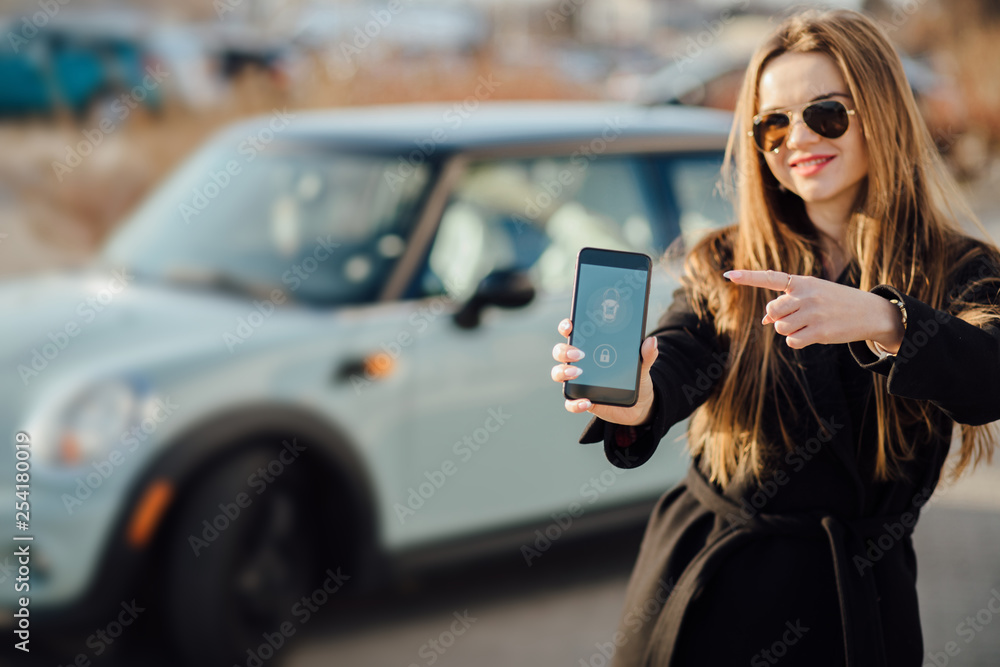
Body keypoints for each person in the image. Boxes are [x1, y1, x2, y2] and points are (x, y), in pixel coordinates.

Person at [550, 9, 1000, 667]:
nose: (797, 138)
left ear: (881, 111)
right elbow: (676, 358)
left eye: (826, 114)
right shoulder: (725, 261)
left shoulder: (958, 267)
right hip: (713, 591)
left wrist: (886, 319)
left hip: (862, 600)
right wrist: (636, 399)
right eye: (772, 123)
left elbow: (989, 373)